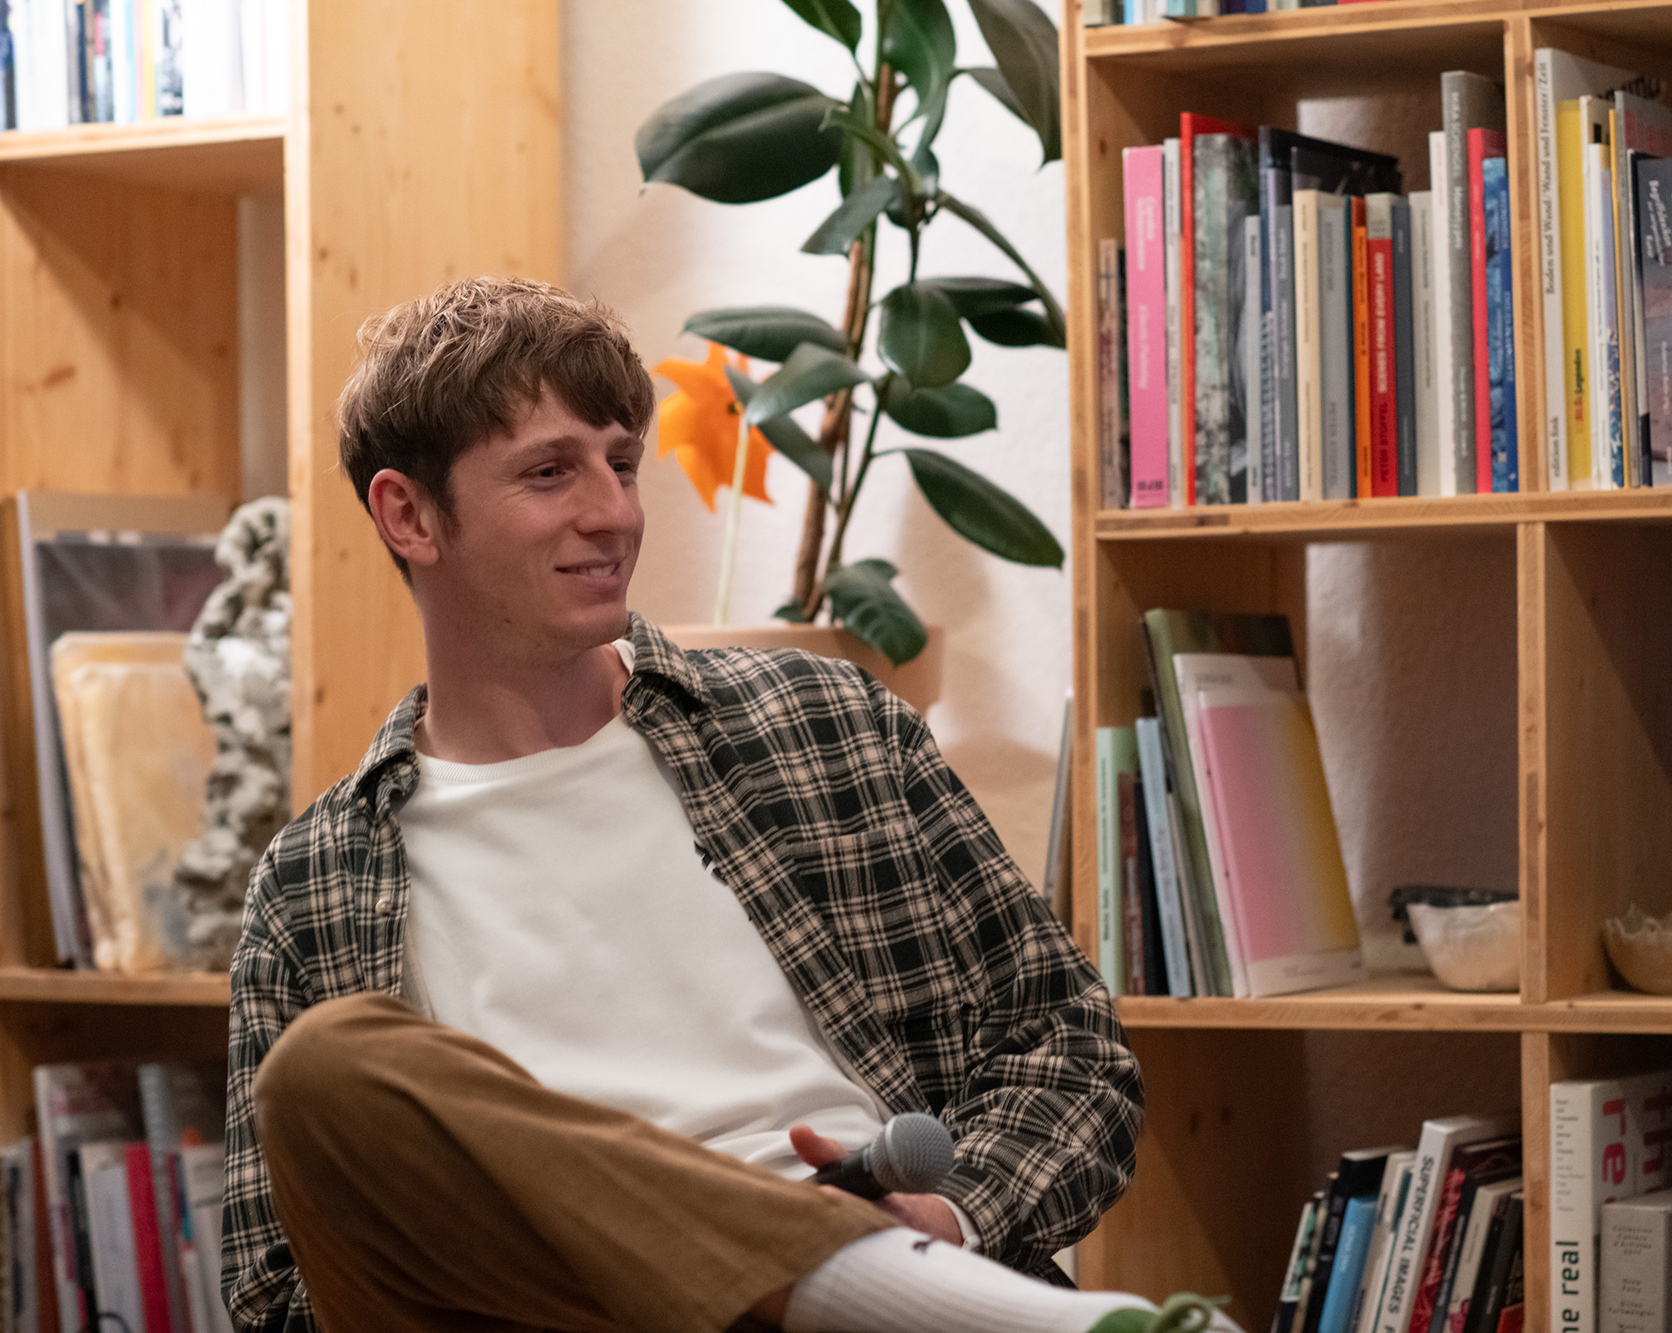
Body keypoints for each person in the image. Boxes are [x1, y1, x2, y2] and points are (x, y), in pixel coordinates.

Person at [222, 278, 1221, 1333]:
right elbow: (280, 1292)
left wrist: (946, 1211)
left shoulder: (826, 726)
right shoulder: (315, 883)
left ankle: (863, 1284)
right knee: (329, 1070)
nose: (613, 513)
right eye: (550, 472)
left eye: (620, 463)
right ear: (409, 514)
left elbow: (1069, 1049)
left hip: (912, 1284)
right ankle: (862, 1280)